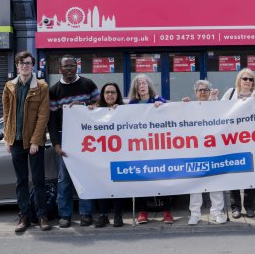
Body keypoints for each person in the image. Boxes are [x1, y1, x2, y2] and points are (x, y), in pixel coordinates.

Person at [2, 51, 52, 233]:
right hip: (15, 141)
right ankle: (24, 216)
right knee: (21, 181)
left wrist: (35, 141)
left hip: (33, 142)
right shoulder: (9, 86)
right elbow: (7, 114)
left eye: (28, 63)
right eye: (22, 63)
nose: (25, 66)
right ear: (17, 66)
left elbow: (43, 116)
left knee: (38, 180)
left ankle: (42, 216)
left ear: (33, 66)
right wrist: (7, 138)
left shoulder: (42, 87)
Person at [48, 54, 100, 228]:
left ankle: (86, 214)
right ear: (59, 69)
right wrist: (56, 144)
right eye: (65, 66)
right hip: (64, 137)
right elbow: (52, 121)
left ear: (77, 66)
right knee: (64, 180)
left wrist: (84, 107)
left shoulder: (88, 84)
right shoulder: (54, 90)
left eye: (72, 66)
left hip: (86, 137)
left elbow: (101, 110)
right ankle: (65, 215)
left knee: (85, 176)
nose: (69, 69)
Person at [128, 74, 174, 224]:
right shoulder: (132, 105)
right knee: (141, 179)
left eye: (144, 83)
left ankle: (167, 211)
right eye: (139, 83)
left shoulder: (158, 100)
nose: (141, 86)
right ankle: (143, 212)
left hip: (159, 146)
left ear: (149, 86)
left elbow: (173, 111)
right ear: (135, 88)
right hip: (140, 147)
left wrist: (164, 107)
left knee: (164, 178)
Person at [182, 80, 227, 225]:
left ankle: (217, 212)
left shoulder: (216, 106)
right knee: (196, 183)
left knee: (215, 181)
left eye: (206, 90)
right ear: (195, 93)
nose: (203, 92)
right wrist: (182, 106)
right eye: (200, 90)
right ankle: (195, 214)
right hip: (195, 151)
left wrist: (215, 100)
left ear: (210, 92)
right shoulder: (189, 107)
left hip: (213, 150)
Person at [221, 68, 255, 219]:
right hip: (232, 141)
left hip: (250, 140)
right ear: (239, 80)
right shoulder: (230, 93)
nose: (248, 82)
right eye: (245, 79)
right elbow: (219, 111)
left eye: (250, 80)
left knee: (250, 174)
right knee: (234, 175)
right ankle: (235, 207)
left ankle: (250, 207)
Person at [88, 82, 126, 228]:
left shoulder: (124, 109)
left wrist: (120, 111)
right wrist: (89, 111)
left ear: (118, 95)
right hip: (101, 155)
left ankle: (117, 215)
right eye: (107, 92)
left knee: (117, 186)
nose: (110, 95)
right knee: (101, 185)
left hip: (119, 154)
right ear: (102, 95)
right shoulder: (96, 110)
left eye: (113, 92)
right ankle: (103, 215)